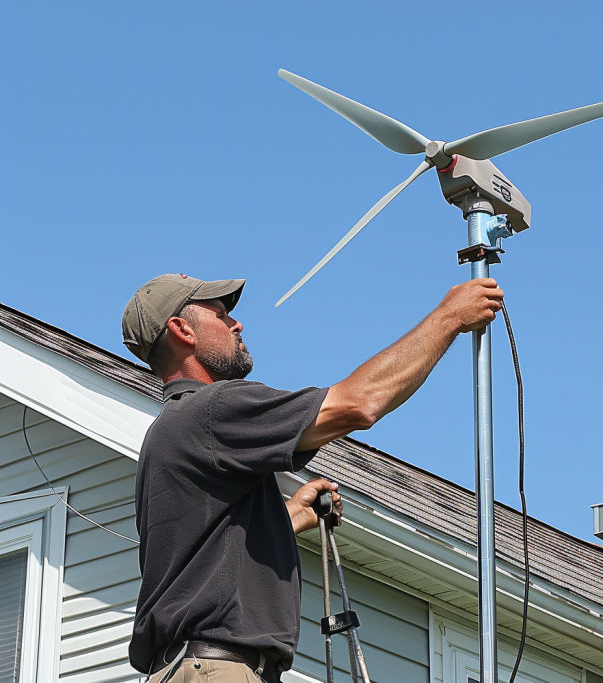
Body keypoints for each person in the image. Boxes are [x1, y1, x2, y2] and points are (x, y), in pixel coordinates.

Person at [121, 272, 503, 682]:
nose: (237, 324)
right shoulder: (212, 409)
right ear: (182, 331)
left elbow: (203, 559)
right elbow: (359, 404)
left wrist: (291, 516)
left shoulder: (168, 433)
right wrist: (449, 318)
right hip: (217, 670)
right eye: (220, 314)